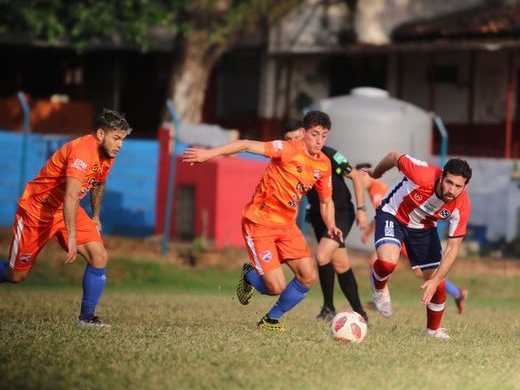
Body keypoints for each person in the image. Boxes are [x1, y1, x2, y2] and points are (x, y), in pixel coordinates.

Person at [182, 111, 342, 332]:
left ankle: (270, 320)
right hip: (260, 221)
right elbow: (246, 145)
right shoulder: (287, 149)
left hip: (287, 225)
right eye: (314, 134)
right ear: (303, 133)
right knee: (275, 287)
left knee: (308, 276)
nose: (319, 141)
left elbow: (326, 202)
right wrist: (208, 154)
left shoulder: (324, 164)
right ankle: (249, 276)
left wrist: (331, 225)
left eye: (324, 136)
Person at [0, 109, 132, 327]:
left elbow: (98, 183)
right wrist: (71, 236)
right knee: (16, 276)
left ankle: (87, 319)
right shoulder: (82, 151)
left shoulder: (107, 154)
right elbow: (71, 195)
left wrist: (96, 216)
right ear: (100, 134)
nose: (120, 145)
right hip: (38, 211)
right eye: (116, 138)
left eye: (123, 139)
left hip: (67, 209)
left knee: (99, 256)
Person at [366, 153, 472, 339]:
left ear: (465, 186)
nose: (451, 190)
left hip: (423, 229)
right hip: (393, 214)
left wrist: (435, 279)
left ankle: (432, 332)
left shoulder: (461, 205)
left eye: (458, 186)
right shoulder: (422, 174)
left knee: (438, 286)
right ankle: (380, 290)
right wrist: (375, 173)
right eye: (448, 182)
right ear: (441, 177)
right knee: (387, 263)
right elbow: (393, 157)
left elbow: (453, 248)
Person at [283, 120, 369, 322]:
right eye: (289, 140)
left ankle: (330, 307)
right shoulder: (291, 160)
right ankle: (358, 312)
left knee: (321, 255)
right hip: (318, 214)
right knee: (340, 264)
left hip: (340, 212)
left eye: (297, 138)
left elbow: (356, 176)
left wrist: (361, 210)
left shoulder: (329, 155)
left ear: (305, 135)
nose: (293, 142)